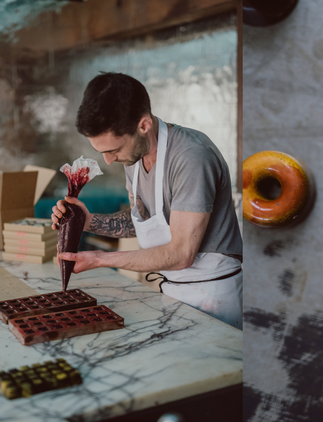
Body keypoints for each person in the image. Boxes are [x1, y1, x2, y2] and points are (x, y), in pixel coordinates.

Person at [51, 72, 243, 330]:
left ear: (143, 125)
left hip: (213, 297)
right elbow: (145, 220)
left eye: (113, 150)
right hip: (172, 291)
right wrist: (88, 222)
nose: (108, 161)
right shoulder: (134, 155)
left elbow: (181, 255)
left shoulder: (191, 157)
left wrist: (101, 259)